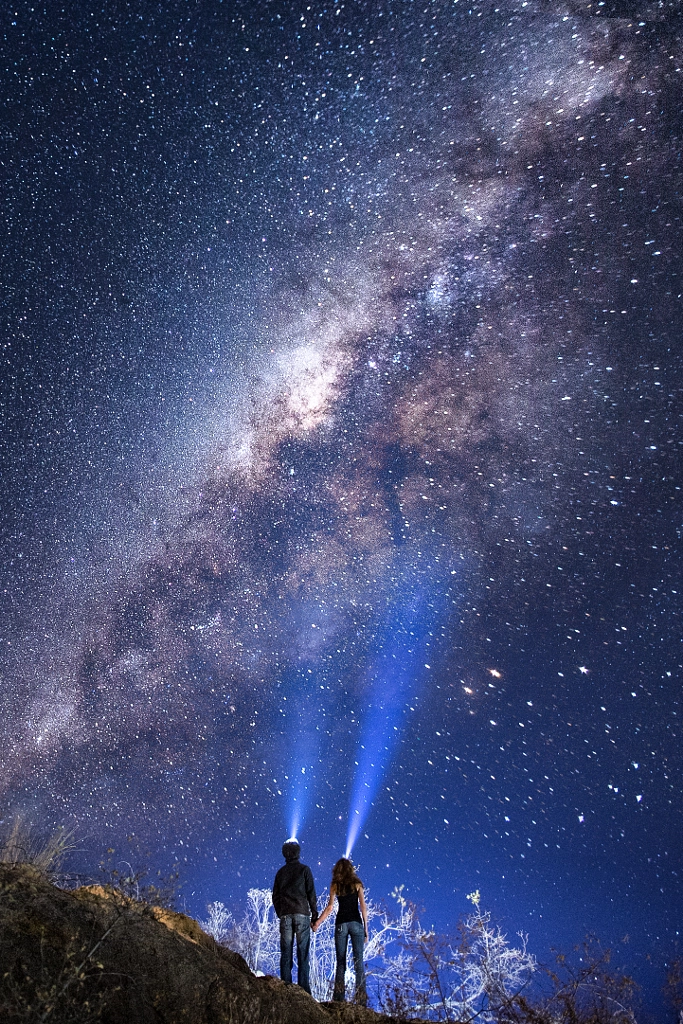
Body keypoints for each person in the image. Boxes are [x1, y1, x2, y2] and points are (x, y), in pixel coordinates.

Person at [312, 857, 368, 1004]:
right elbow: (363, 907)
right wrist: (366, 929)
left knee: (341, 962)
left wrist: (318, 922)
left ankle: (338, 999)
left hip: (341, 924)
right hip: (356, 923)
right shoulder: (357, 884)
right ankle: (361, 1000)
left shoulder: (335, 885)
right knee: (359, 963)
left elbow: (330, 907)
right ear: (351, 869)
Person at [272, 840, 318, 994]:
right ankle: (304, 990)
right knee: (303, 953)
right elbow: (311, 894)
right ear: (298, 853)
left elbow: (275, 897)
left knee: (286, 952)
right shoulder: (305, 870)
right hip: (302, 914)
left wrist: (281, 912)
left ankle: (286, 988)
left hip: (285, 915)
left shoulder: (280, 872)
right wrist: (314, 915)